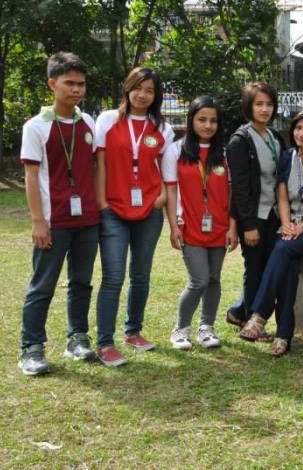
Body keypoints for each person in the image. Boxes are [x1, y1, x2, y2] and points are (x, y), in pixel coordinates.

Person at [18, 52, 100, 375]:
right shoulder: (36, 127)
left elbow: (94, 169)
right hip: (54, 221)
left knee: (81, 282)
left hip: (87, 221)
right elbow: (30, 176)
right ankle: (31, 348)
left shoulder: (89, 123)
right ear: (52, 84)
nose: (76, 89)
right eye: (69, 83)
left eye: (81, 84)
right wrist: (39, 220)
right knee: (43, 285)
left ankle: (77, 338)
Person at [94, 67, 173, 367]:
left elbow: (167, 171)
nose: (143, 95)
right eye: (138, 88)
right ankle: (104, 343)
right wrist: (102, 203)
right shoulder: (107, 120)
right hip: (113, 209)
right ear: (128, 88)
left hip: (149, 211)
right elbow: (99, 164)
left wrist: (163, 199)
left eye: (150, 90)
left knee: (140, 275)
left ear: (156, 95)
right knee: (113, 277)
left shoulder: (161, 127)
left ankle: (133, 331)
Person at [240, 108, 303, 357]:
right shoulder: (288, 156)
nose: (302, 133)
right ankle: (284, 335)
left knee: (283, 248)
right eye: (298, 128)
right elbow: (282, 195)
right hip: (288, 224)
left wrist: (301, 227)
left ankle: (259, 315)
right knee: (289, 264)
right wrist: (287, 224)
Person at [163, 96, 238, 351]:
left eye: (213, 121)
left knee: (214, 278)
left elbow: (231, 195)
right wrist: (174, 225)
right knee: (199, 280)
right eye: (202, 119)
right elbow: (171, 192)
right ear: (191, 120)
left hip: (219, 227)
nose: (208, 125)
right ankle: (180, 329)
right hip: (190, 226)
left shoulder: (225, 154)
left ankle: (206, 327)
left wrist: (232, 227)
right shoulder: (176, 150)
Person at [225, 82, 287, 341]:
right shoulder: (241, 140)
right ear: (249, 106)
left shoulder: (274, 136)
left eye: (269, 104)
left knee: (269, 267)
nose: (264, 109)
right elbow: (239, 187)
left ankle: (239, 311)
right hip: (254, 216)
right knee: (255, 268)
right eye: (258, 104)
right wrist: (247, 224)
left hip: (274, 214)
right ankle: (249, 320)